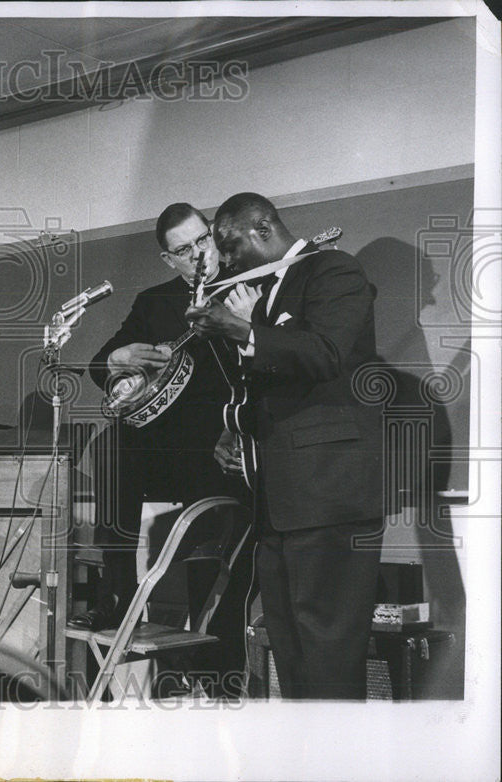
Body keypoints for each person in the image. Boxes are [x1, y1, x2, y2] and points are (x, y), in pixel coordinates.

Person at [186, 192, 383, 700]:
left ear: (262, 229)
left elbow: (326, 354)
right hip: (278, 504)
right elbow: (280, 390)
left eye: (230, 249)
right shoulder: (265, 294)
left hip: (328, 496)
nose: (227, 263)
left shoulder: (333, 271)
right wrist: (236, 432)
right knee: (290, 652)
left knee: (329, 653)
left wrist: (241, 328)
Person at [71, 202, 247, 644]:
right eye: (184, 250)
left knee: (210, 526)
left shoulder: (247, 285)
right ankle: (117, 595)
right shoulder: (155, 302)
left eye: (202, 240)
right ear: (169, 259)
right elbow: (99, 364)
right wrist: (118, 357)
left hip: (224, 443)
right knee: (111, 444)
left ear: (214, 235)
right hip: (165, 446)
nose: (198, 255)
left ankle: (209, 647)